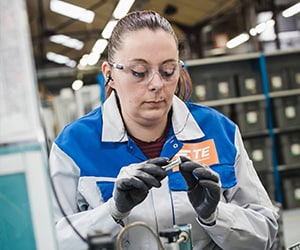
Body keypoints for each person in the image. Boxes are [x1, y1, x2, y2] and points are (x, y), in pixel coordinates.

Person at [49, 10, 279, 250]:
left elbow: (265, 230)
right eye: (139, 72)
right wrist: (112, 211)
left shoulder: (219, 132)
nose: (157, 84)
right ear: (110, 75)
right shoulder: (73, 147)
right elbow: (50, 241)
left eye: (168, 71)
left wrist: (215, 216)